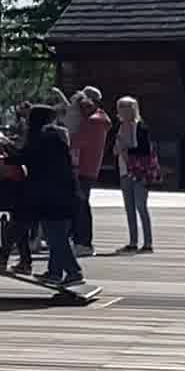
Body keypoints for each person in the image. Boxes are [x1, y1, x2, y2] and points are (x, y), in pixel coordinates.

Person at [22, 102, 91, 302]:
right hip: (65, 193)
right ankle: (54, 272)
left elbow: (27, 157)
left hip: (52, 196)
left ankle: (73, 271)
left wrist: (9, 150)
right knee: (58, 234)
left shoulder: (43, 137)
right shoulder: (56, 136)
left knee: (56, 237)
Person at [69, 86, 113, 250]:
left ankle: (84, 241)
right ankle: (78, 239)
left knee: (81, 205)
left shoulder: (94, 121)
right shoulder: (97, 119)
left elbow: (76, 141)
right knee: (78, 204)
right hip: (85, 167)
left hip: (84, 168)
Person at [114, 93, 158, 251]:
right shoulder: (120, 127)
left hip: (140, 172)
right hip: (124, 170)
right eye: (120, 108)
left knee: (141, 205)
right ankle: (133, 241)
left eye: (125, 108)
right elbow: (116, 149)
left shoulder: (141, 127)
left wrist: (126, 149)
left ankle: (148, 243)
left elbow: (144, 150)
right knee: (129, 207)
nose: (122, 112)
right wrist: (121, 149)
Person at [0, 134, 32, 275]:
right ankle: (24, 261)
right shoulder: (17, 150)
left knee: (19, 223)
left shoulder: (14, 152)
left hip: (15, 185)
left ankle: (4, 255)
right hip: (15, 184)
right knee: (18, 222)